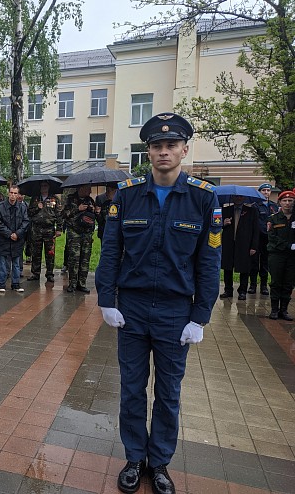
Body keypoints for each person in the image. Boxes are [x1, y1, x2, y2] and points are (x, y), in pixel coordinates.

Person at [95, 112, 221, 494]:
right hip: (130, 310)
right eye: (156, 145)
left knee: (168, 393)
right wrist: (106, 300)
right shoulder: (129, 194)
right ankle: (135, 458)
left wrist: (200, 317)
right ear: (147, 152)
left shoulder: (202, 196)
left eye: (171, 145)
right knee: (132, 389)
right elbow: (112, 249)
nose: (163, 151)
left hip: (174, 312)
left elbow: (210, 260)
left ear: (184, 150)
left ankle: (160, 463)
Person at [219, 195, 259, 300]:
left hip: (245, 244)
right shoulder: (225, 210)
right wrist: (223, 223)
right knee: (227, 267)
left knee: (244, 268)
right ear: (232, 198)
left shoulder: (251, 211)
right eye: (236, 196)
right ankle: (228, 290)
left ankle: (242, 291)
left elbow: (256, 230)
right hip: (229, 243)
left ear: (244, 198)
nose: (238, 198)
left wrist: (254, 246)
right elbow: (216, 225)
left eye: (241, 197)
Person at [62, 183, 98, 293]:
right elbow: (63, 214)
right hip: (74, 233)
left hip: (86, 234)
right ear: (81, 189)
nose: (90, 191)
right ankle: (72, 283)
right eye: (88, 189)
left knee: (85, 259)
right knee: (74, 259)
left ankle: (82, 283)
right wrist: (78, 209)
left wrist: (93, 210)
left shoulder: (90, 200)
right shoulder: (70, 199)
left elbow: (93, 218)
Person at [266, 189, 295, 321]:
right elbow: (272, 237)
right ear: (280, 202)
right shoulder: (273, 218)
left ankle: (284, 310)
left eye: (290, 200)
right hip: (277, 255)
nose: (287, 203)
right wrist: (288, 245)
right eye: (285, 201)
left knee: (288, 283)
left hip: (292, 257)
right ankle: (274, 310)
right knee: (276, 282)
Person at [0, 185, 29, 292]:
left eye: (15, 193)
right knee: (3, 263)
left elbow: (26, 222)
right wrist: (9, 234)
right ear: (8, 193)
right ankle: (1, 284)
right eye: (11, 193)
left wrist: (17, 234)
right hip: (4, 239)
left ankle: (16, 284)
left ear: (18, 194)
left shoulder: (22, 207)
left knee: (16, 263)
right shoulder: (0, 207)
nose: (13, 195)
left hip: (17, 240)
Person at [27, 181, 62, 282]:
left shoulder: (54, 199)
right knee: (36, 252)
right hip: (36, 229)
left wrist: (59, 229)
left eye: (45, 186)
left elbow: (59, 214)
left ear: (49, 187)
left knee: (50, 253)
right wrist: (37, 208)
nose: (43, 188)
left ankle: (50, 274)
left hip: (49, 229)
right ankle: (35, 273)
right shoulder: (35, 198)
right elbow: (29, 213)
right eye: (42, 186)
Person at [250, 183, 279, 295]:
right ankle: (252, 285)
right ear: (260, 192)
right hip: (257, 238)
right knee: (254, 262)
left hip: (269, 239)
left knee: (265, 263)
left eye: (268, 190)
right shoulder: (255, 206)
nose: (266, 192)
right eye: (264, 190)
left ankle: (263, 285)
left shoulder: (273, 206)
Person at [95, 182, 118, 248]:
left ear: (115, 191)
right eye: (106, 191)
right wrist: (98, 213)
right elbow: (100, 221)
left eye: (108, 191)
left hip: (116, 234)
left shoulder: (121, 204)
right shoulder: (105, 204)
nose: (106, 194)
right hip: (105, 233)